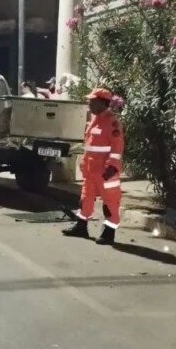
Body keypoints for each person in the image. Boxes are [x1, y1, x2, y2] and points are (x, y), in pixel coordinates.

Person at [62, 88, 124, 245]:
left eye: (92, 101)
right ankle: (81, 227)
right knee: (85, 200)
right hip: (90, 171)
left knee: (110, 203)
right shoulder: (94, 120)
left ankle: (109, 233)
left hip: (106, 172)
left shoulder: (112, 123)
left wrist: (111, 167)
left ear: (102, 103)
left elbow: (116, 148)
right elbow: (90, 147)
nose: (89, 103)